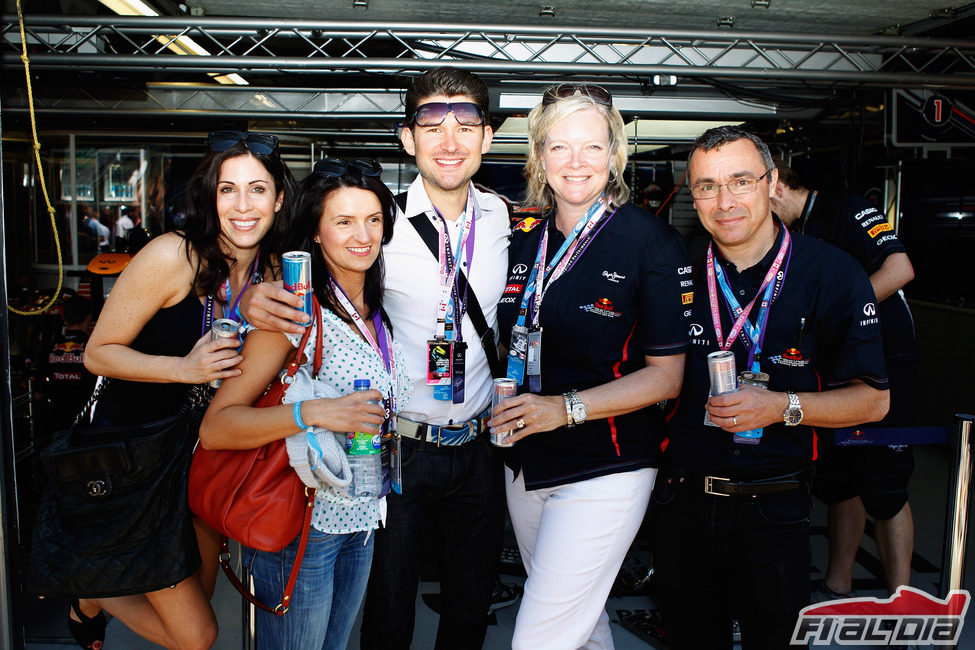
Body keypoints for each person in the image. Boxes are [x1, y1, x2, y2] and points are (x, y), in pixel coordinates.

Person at [240, 67, 510, 650]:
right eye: (432, 123)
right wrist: (252, 289)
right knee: (389, 612)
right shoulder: (379, 219)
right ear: (407, 139)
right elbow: (313, 253)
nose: (450, 139)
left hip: (480, 445)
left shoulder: (502, 218)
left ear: (487, 138)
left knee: (470, 607)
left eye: (466, 122)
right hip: (400, 447)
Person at [651, 125, 890, 649]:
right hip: (680, 501)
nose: (725, 200)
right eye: (707, 186)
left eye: (740, 181)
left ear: (771, 182)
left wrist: (782, 406)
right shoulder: (672, 269)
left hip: (776, 507)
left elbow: (873, 400)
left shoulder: (830, 272)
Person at [485, 83, 688, 649]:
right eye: (559, 147)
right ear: (538, 157)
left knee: (540, 637)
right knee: (583, 623)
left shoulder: (650, 242)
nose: (575, 162)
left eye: (593, 147)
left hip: (608, 466)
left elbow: (667, 377)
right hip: (526, 462)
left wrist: (563, 409)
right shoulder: (522, 238)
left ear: (615, 157)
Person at [79, 130, 295, 650]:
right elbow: (97, 353)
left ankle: (90, 589)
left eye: (257, 190)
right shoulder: (172, 256)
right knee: (196, 636)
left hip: (199, 456)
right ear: (209, 197)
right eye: (228, 190)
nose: (243, 206)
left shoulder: (271, 271)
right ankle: (85, 586)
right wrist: (183, 368)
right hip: (131, 454)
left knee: (197, 589)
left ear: (279, 198)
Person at [200, 157, 411, 649]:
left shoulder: (378, 310)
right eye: (343, 221)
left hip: (362, 514)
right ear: (315, 233)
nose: (363, 235)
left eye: (373, 219)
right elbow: (217, 427)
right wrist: (312, 412)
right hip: (302, 521)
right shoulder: (293, 315)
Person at [771, 159, 919, 598]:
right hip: (831, 367)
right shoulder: (793, 234)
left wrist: (837, 315)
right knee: (839, 481)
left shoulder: (848, 209)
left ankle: (901, 599)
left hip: (885, 363)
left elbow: (900, 269)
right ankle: (839, 581)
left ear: (775, 186)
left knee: (885, 486)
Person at [40, 294, 97, 431]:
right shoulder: (94, 346)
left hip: (56, 420)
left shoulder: (49, 346)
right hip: (87, 418)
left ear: (64, 318)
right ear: (89, 319)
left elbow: (38, 391)